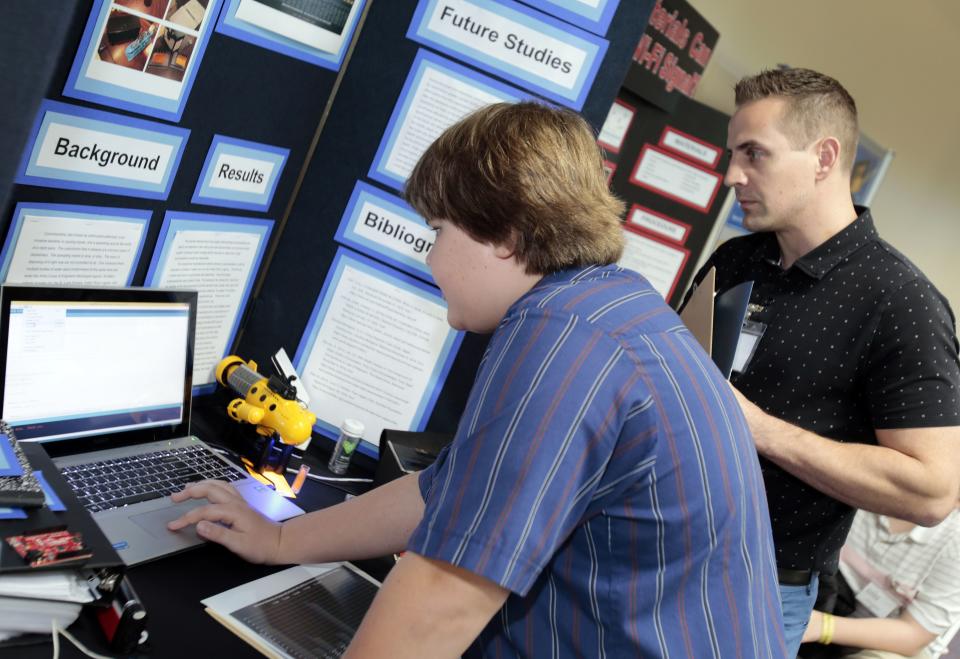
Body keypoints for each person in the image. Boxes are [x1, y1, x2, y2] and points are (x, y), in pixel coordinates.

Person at [169, 102, 786, 657]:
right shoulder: (611, 306)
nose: (430, 258)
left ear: (508, 234)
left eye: (438, 232)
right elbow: (449, 492)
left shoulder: (561, 336)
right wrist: (282, 542)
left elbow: (445, 595)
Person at [682, 67, 960, 656]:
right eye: (733, 153)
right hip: (653, 545)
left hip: (755, 592)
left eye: (755, 154)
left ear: (824, 156)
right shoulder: (735, 260)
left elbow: (933, 491)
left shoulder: (901, 303)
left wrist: (756, 428)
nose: (732, 174)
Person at [800, 505, 960, 658]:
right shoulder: (871, 486)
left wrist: (821, 626)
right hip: (814, 591)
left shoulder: (954, 541)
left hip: (880, 640)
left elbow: (914, 635)